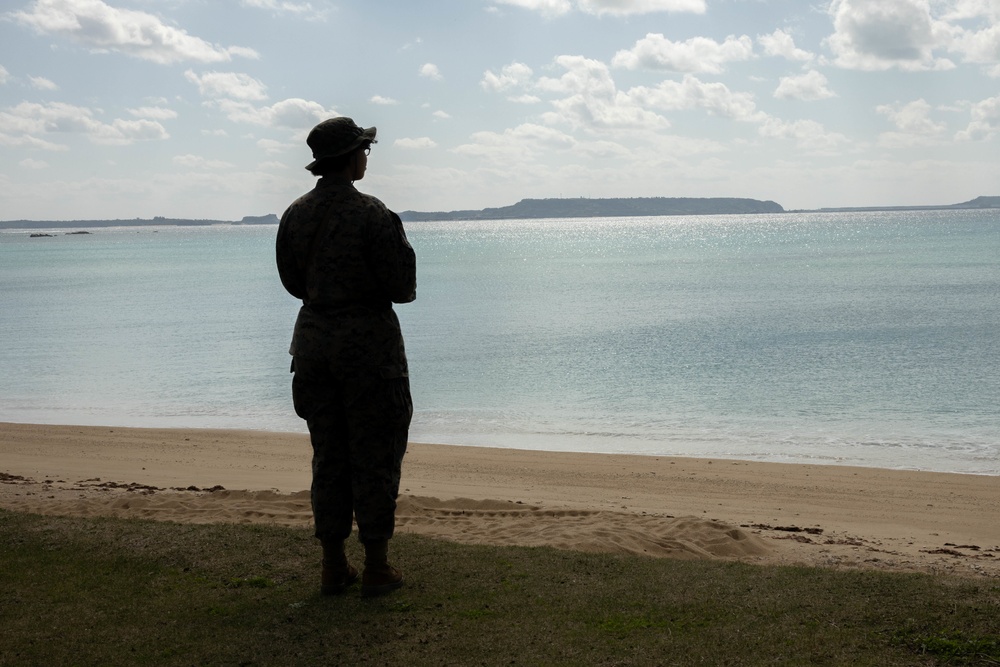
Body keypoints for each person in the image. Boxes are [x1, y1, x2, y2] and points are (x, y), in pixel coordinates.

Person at [275, 117, 416, 597]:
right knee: (375, 455)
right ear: (352, 157)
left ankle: (333, 565)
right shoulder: (373, 214)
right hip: (370, 352)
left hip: (313, 348)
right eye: (365, 150)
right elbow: (404, 289)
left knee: (328, 455)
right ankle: (376, 565)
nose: (366, 158)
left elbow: (294, 283)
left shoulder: (295, 214)